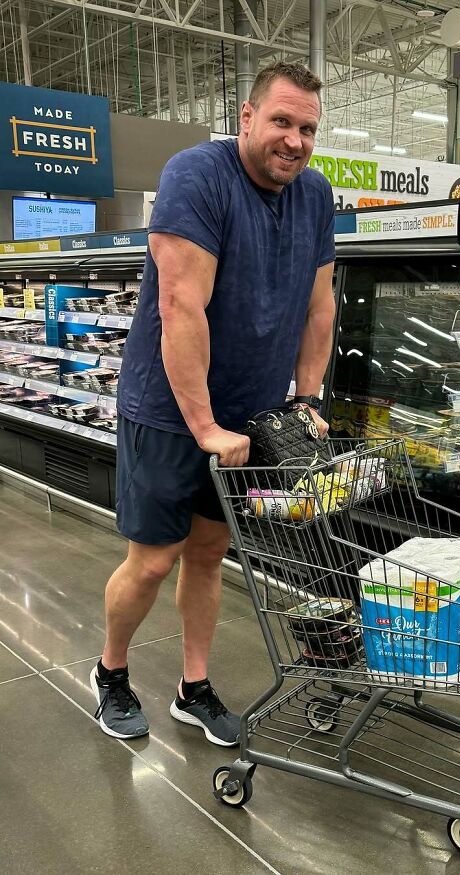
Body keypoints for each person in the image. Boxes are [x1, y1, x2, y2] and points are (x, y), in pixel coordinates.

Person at [90, 61, 336, 746]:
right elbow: (180, 305)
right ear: (246, 117)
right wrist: (203, 425)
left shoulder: (315, 195)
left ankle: (192, 688)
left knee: (209, 551)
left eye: (308, 129)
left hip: (249, 417)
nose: (294, 140)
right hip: (170, 409)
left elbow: (320, 306)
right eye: (281, 121)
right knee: (154, 558)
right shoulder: (197, 175)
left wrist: (307, 397)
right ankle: (111, 671)